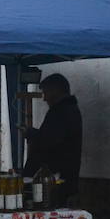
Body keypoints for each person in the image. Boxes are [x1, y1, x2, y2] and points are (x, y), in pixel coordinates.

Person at [22, 73, 83, 207]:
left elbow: (49, 141)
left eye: (46, 93)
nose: (44, 99)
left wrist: (31, 133)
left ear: (56, 90)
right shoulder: (65, 110)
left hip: (54, 182)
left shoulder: (63, 112)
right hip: (52, 180)